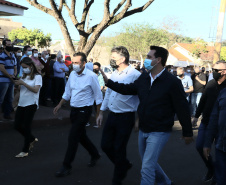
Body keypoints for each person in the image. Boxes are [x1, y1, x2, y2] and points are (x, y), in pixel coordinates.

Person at [100, 46, 193, 185]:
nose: (146, 60)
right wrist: (109, 82)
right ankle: (165, 181)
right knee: (148, 162)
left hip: (160, 130)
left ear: (159, 60)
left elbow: (182, 108)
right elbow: (128, 89)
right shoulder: (144, 77)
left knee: (147, 167)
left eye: (149, 57)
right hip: (144, 128)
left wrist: (187, 132)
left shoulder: (172, 82)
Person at [53, 52, 103, 177]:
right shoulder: (72, 74)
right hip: (73, 110)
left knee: (73, 137)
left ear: (83, 63)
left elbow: (98, 96)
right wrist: (59, 104)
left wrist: (98, 115)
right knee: (81, 136)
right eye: (73, 62)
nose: (74, 65)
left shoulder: (91, 76)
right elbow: (67, 92)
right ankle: (95, 154)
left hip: (84, 111)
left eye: (76, 63)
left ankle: (66, 166)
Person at [97, 46, 140, 185]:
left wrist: (139, 119)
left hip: (126, 117)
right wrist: (101, 112)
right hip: (112, 115)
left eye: (114, 57)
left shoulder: (135, 75)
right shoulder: (114, 73)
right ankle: (123, 165)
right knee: (105, 145)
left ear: (123, 59)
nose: (111, 59)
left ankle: (117, 179)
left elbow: (142, 98)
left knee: (119, 148)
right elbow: (109, 93)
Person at [192, 61, 226, 185]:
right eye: (212, 69)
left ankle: (218, 176)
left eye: (216, 70)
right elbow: (203, 100)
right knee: (200, 146)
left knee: (220, 153)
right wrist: (196, 116)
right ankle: (211, 168)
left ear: (224, 71)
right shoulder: (211, 83)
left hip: (221, 126)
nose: (213, 72)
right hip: (207, 121)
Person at [14, 57, 42, 157]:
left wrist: (23, 83)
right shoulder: (23, 76)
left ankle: (25, 150)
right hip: (22, 103)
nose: (24, 69)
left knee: (26, 126)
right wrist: (15, 102)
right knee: (16, 125)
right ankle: (31, 138)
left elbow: (35, 90)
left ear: (30, 66)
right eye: (22, 67)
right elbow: (19, 91)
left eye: (25, 67)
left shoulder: (37, 76)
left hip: (31, 103)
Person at [203, 89, 226, 185]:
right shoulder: (223, 92)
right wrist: (207, 143)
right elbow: (214, 118)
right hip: (222, 147)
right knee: (221, 180)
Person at [0, 39, 17, 122]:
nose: (10, 46)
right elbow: (2, 68)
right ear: (4, 46)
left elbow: (15, 66)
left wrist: (14, 74)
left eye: (11, 44)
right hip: (3, 80)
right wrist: (9, 76)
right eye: (8, 44)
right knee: (1, 98)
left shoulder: (12, 55)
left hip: (11, 80)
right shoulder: (2, 56)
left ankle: (7, 115)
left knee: (9, 98)